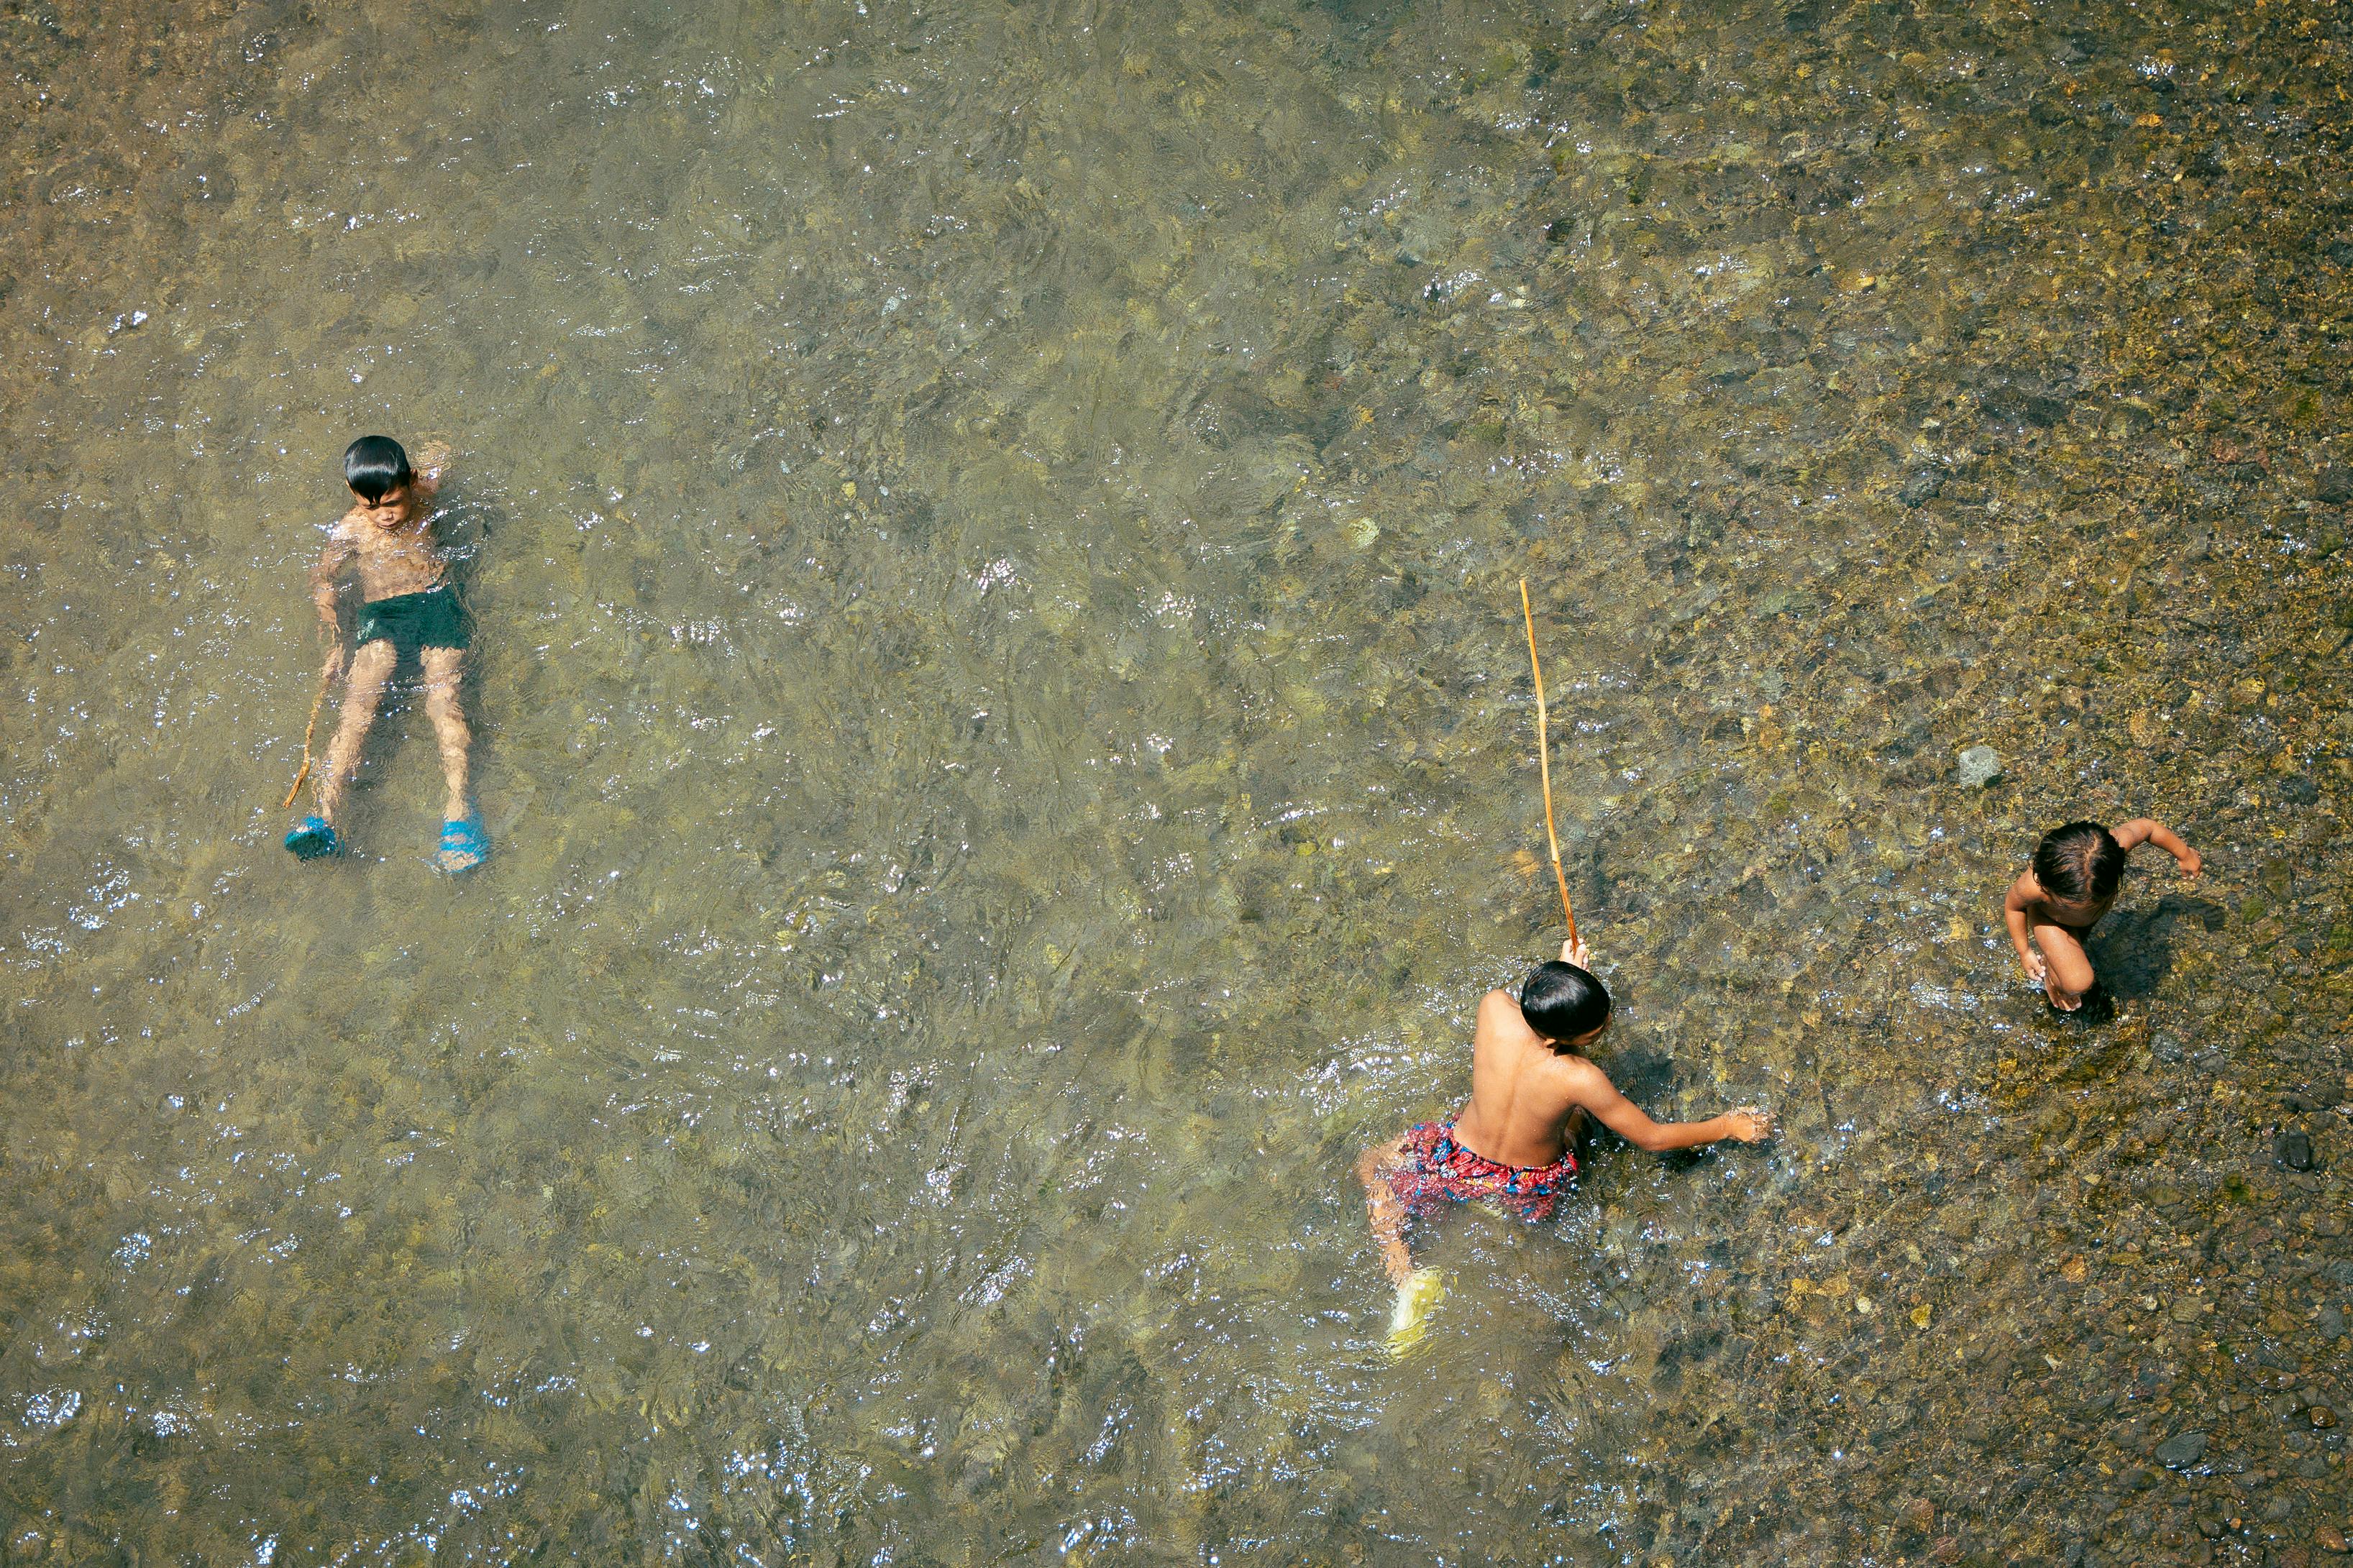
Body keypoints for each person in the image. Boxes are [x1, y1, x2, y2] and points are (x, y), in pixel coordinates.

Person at [1356, 940, 1773, 1351]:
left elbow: (1527, 1016)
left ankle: (1403, 1272)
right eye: (1600, 1028)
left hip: (1455, 1159)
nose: (1607, 1025)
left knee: (1373, 1164)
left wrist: (1560, 981)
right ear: (1565, 1042)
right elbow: (1652, 1137)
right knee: (1580, 1117)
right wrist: (1727, 1126)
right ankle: (1492, 1216)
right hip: (1525, 1185)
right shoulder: (1580, 1077)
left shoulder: (1493, 1008)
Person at [283, 435, 488, 872]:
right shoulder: (350, 529)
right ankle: (324, 815)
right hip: (381, 614)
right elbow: (322, 579)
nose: (385, 515)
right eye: (370, 506)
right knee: (357, 709)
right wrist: (335, 640)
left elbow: (442, 450)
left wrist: (432, 457)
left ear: (409, 484)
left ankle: (460, 811)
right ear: (353, 496)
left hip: (434, 603)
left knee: (443, 700)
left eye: (393, 501)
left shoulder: (425, 495)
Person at [2002, 818, 2201, 1012]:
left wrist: (2185, 854)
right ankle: (2052, 980)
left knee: (2077, 948)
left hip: (2086, 919)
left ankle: (2057, 955)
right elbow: (2013, 906)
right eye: (2071, 901)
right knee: (2077, 983)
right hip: (2050, 920)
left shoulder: (2108, 852)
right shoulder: (2034, 886)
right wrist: (2024, 951)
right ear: (2046, 885)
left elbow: (2148, 828)